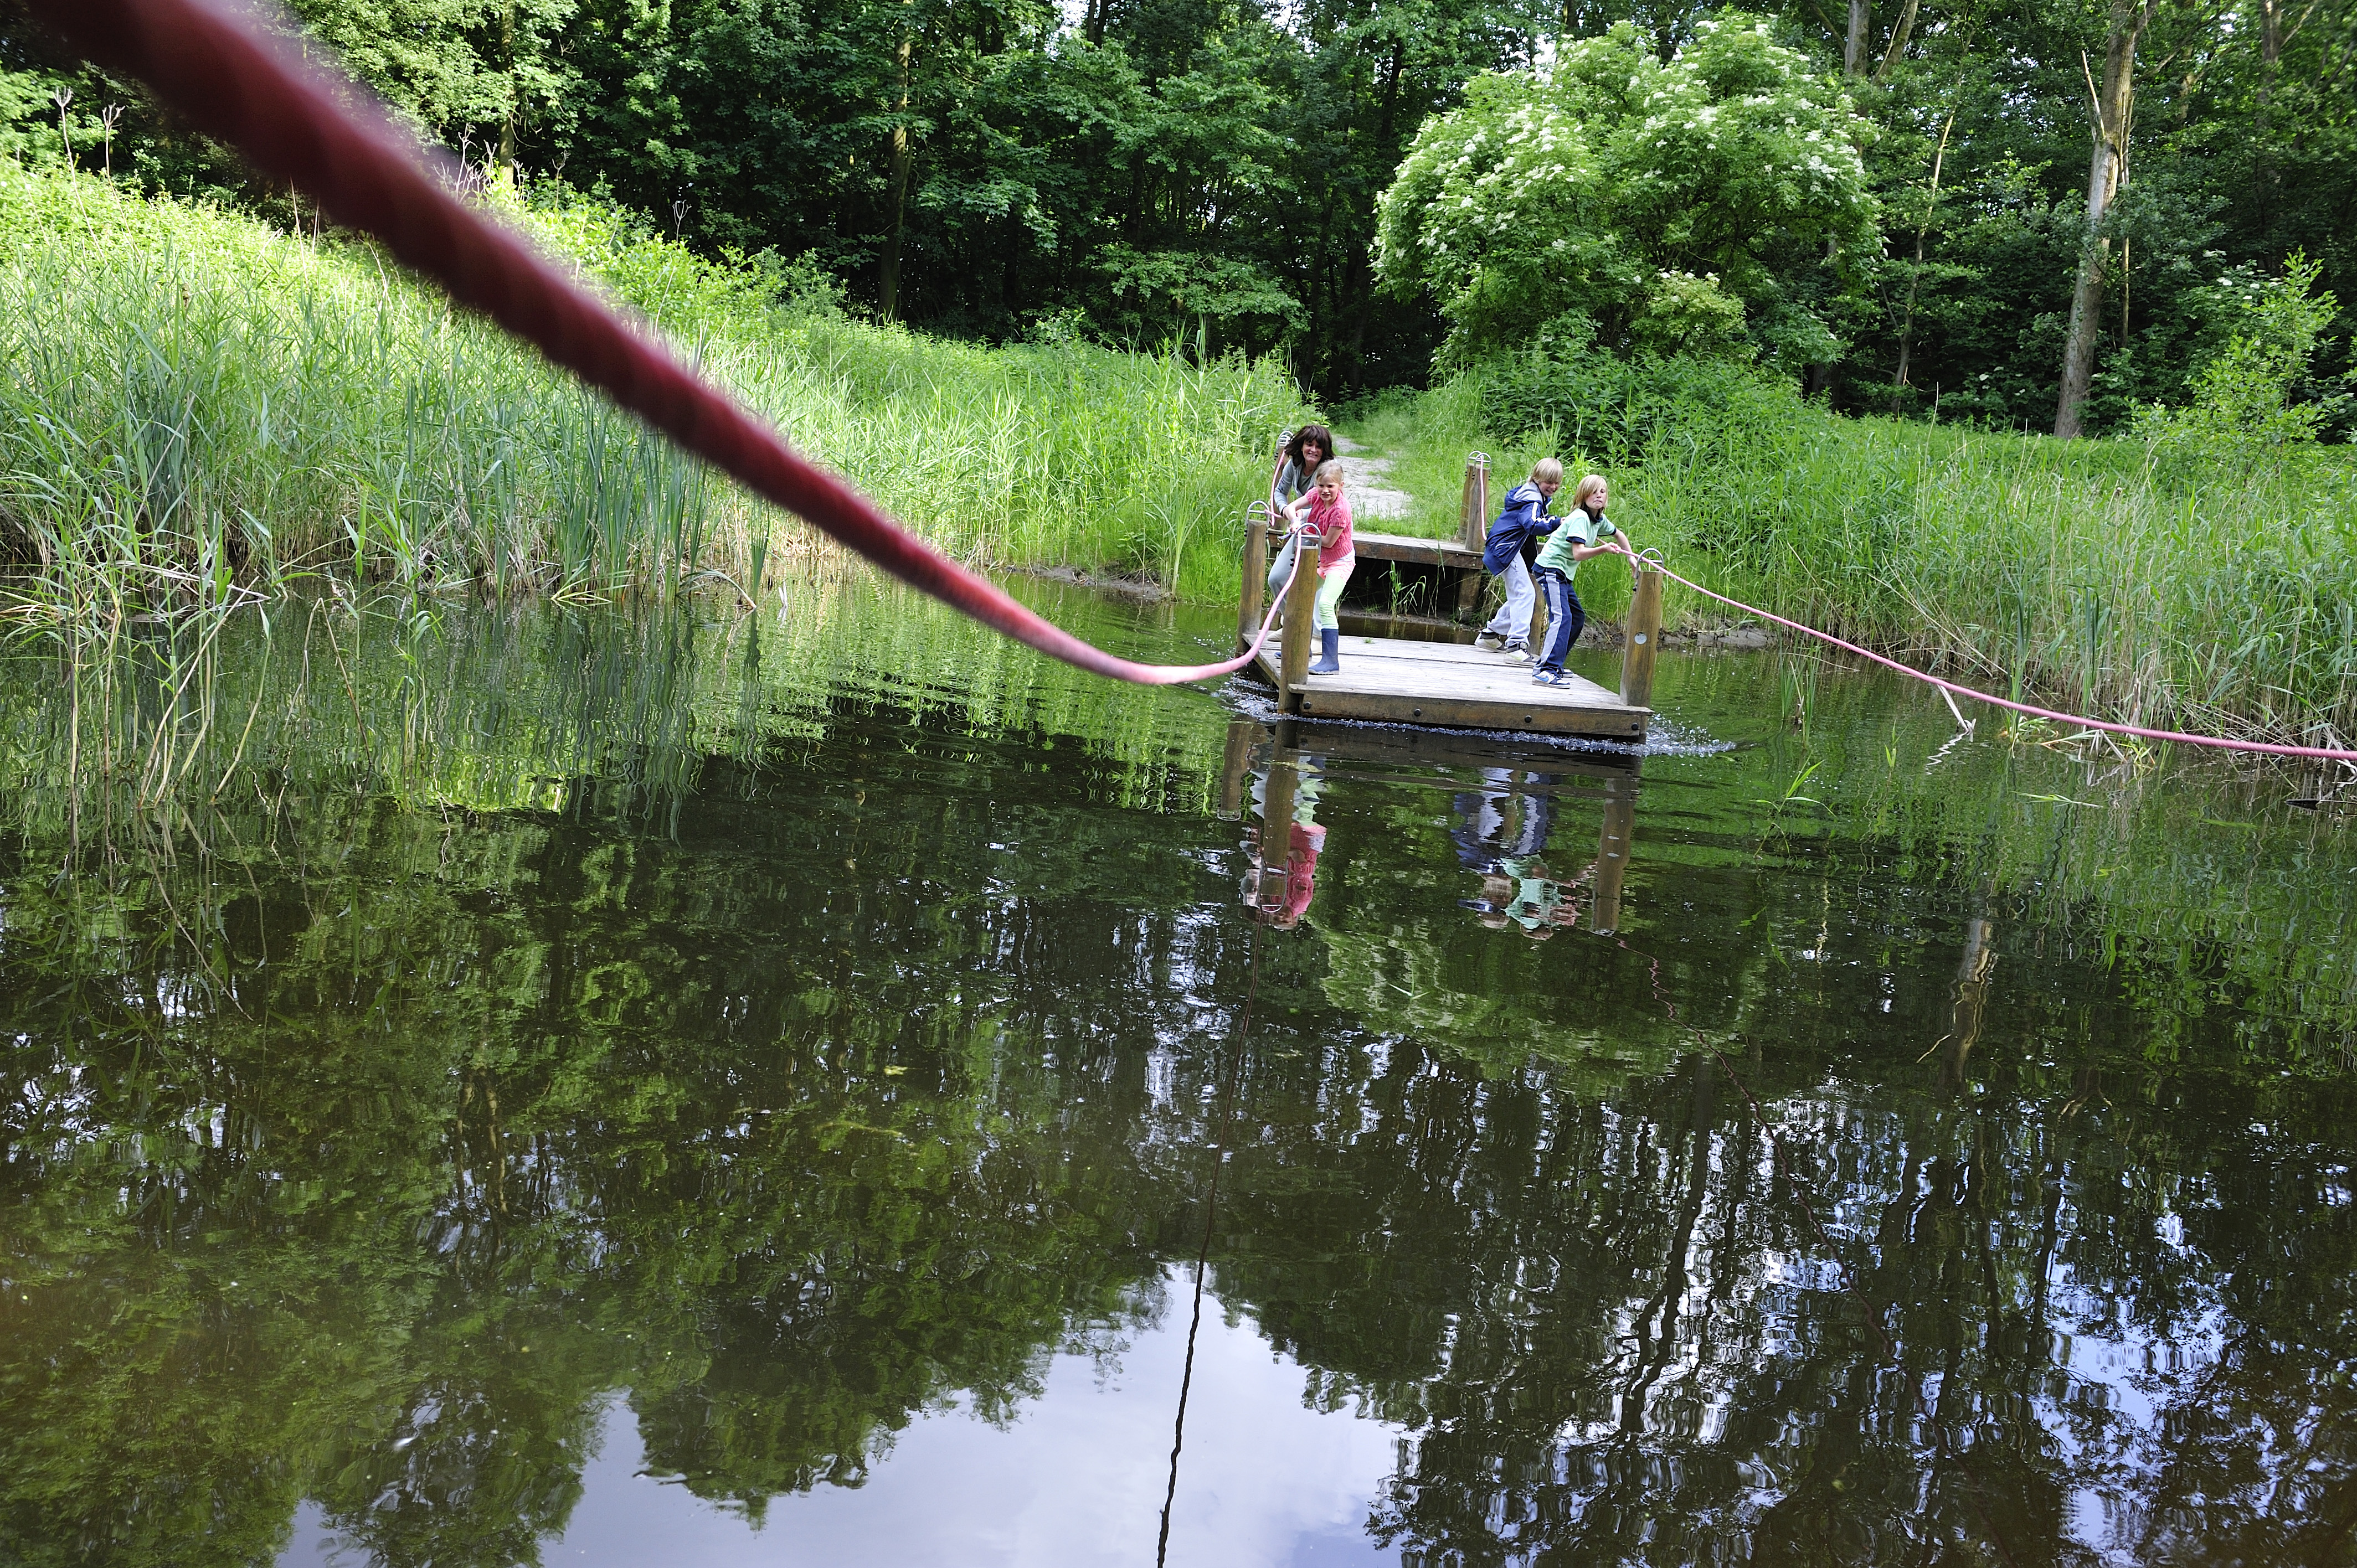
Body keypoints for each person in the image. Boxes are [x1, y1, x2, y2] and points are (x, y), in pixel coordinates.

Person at [1528, 473, 1632, 687]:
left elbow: (1619, 535)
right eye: (1593, 492)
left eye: (1602, 492)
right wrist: (1603, 549)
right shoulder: (1580, 519)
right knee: (1563, 616)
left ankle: (1554, 663)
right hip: (1551, 569)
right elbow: (1578, 553)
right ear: (1584, 496)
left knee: (1576, 616)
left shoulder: (1598, 520)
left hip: (1563, 574)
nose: (1598, 496)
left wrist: (1632, 560)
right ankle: (1545, 670)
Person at [1474, 458, 1564, 663]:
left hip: (1505, 548)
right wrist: (1557, 523)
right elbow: (1531, 525)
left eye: (1557, 482)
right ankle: (1517, 645)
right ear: (1536, 478)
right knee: (1525, 594)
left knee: (1520, 594)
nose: (1553, 487)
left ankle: (1490, 636)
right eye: (1549, 482)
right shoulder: (1532, 499)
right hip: (1505, 549)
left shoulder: (1533, 495)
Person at [1279, 459, 1355, 675]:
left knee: (1325, 604)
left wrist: (1303, 530)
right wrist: (1295, 519)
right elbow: (1292, 506)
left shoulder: (1341, 510)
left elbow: (1329, 542)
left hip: (1340, 562)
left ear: (1341, 486)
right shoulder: (1315, 495)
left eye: (1331, 486)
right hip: (1321, 560)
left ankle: (1331, 661)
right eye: (1321, 485)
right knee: (1300, 595)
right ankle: (1302, 648)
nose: (1325, 491)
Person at [1263, 424, 1335, 606]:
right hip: (1301, 528)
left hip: (1325, 535)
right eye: (1309, 444)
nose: (1313, 450)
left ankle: (1312, 632)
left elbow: (1329, 509)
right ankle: (1290, 625)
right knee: (1277, 578)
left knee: (1315, 587)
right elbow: (1280, 492)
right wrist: (1284, 509)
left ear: (1324, 451)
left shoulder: (1328, 472)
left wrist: (1298, 514)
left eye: (1319, 447)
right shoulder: (1295, 465)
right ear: (1302, 446)